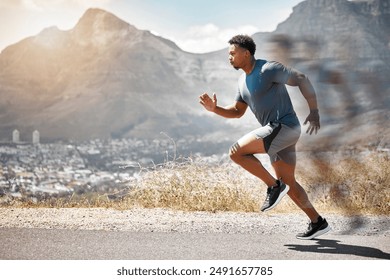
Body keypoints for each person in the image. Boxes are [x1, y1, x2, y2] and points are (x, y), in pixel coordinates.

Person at [199, 34, 330, 240]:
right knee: (290, 184)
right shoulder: (242, 80)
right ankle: (318, 222)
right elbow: (237, 111)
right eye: (229, 55)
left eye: (232, 53)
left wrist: (314, 111)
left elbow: (302, 79)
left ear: (246, 53)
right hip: (279, 135)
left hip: (283, 126)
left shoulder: (269, 69)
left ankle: (273, 187)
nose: (229, 57)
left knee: (236, 153)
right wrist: (215, 109)